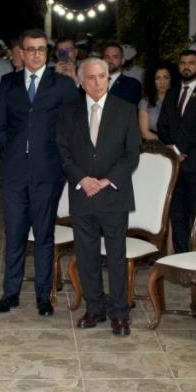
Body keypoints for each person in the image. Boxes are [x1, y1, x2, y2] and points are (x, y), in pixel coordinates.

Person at [0, 29, 79, 316]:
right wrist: (15, 151)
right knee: (15, 234)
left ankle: (44, 296)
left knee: (43, 235)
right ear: (21, 53)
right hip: (15, 171)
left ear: (47, 52)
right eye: (30, 49)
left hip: (48, 171)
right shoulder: (8, 83)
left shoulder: (63, 85)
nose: (36, 54)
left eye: (41, 49)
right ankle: (10, 293)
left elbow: (73, 127)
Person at [56, 57, 140, 335]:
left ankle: (120, 313)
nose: (96, 82)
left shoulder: (125, 109)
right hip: (82, 194)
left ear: (108, 79)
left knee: (116, 257)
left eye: (102, 76)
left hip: (113, 195)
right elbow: (63, 152)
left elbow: (131, 154)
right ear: (81, 81)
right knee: (86, 255)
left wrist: (106, 180)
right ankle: (94, 309)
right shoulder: (67, 111)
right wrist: (82, 179)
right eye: (90, 77)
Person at [156, 49, 196, 253]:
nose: (186, 66)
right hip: (174, 165)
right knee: (177, 214)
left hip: (195, 162)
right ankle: (181, 257)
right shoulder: (172, 92)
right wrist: (172, 150)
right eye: (183, 62)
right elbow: (162, 124)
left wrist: (179, 148)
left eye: (191, 63)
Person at [140, 60, 175, 142]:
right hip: (154, 144)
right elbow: (145, 133)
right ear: (152, 81)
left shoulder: (179, 100)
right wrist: (167, 144)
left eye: (166, 77)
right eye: (158, 78)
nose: (162, 82)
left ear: (172, 79)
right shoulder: (145, 102)